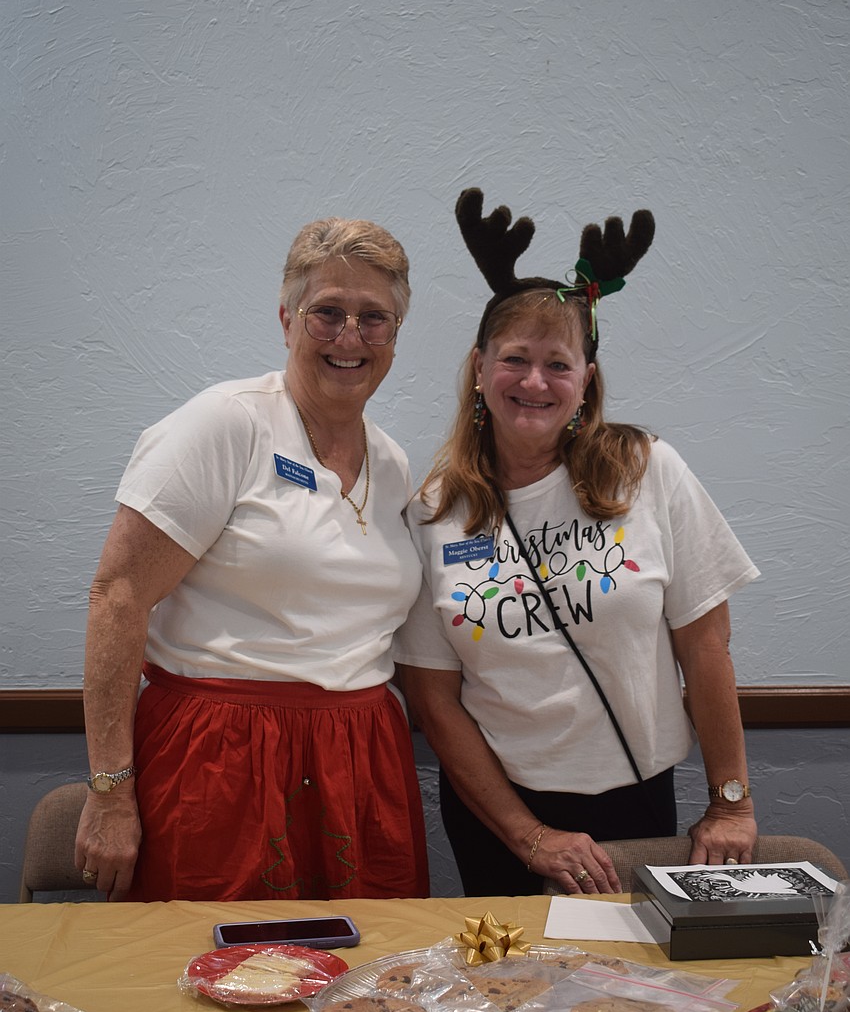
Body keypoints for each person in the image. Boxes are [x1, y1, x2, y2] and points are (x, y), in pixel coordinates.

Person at [395, 188, 759, 898]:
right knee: (511, 995)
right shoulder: (434, 513)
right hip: (500, 814)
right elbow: (435, 701)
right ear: (479, 367)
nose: (535, 380)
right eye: (514, 359)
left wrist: (732, 801)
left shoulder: (646, 469)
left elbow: (706, 647)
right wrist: (527, 834)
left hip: (637, 802)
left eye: (558, 363)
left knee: (629, 993)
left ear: (586, 380)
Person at [75, 215, 429, 902]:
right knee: (216, 975)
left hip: (361, 758)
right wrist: (110, 790)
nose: (350, 335)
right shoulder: (225, 424)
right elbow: (117, 595)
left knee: (367, 984)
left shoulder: (392, 462)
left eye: (373, 317)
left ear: (394, 335)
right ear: (287, 318)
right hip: (223, 754)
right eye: (327, 311)